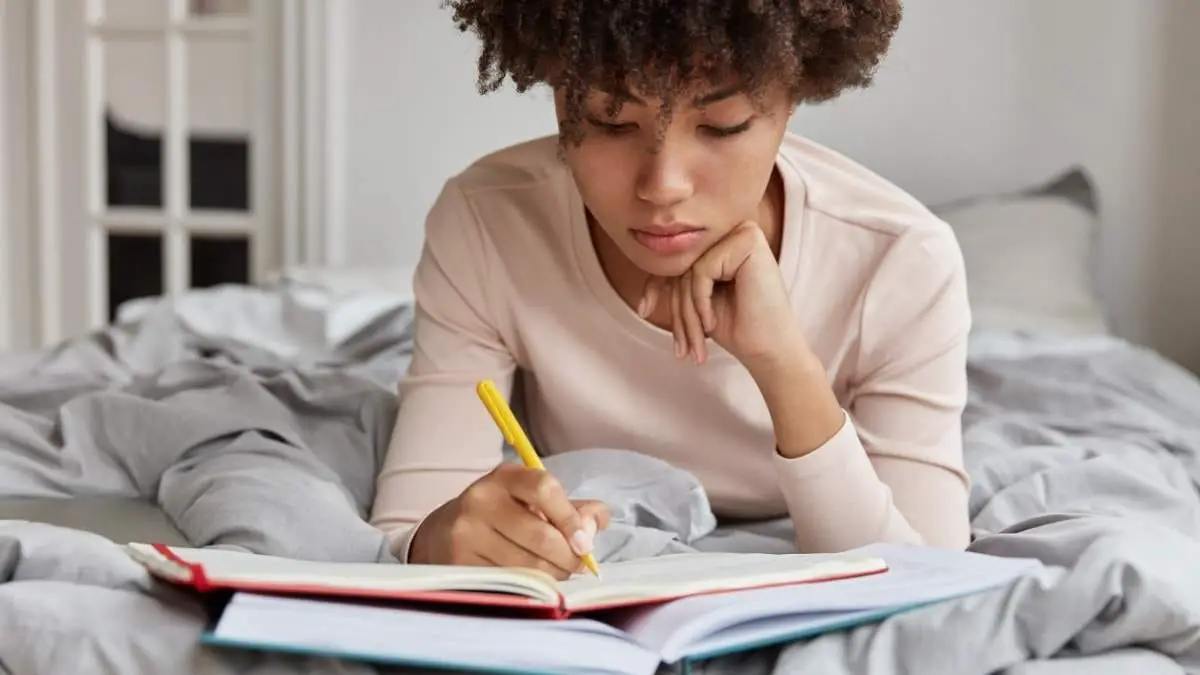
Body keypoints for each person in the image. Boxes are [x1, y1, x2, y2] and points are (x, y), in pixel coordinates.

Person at [370, 0, 972, 579]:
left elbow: (928, 578)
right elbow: (411, 527)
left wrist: (786, 365)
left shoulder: (900, 261)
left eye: (721, 125)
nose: (663, 186)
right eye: (609, 121)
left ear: (794, 98)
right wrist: (445, 538)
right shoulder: (488, 220)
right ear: (558, 94)